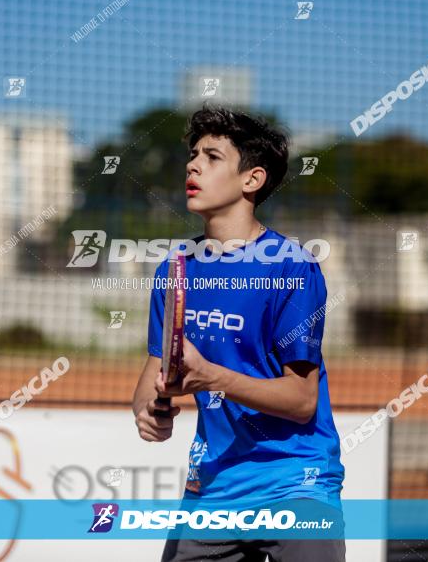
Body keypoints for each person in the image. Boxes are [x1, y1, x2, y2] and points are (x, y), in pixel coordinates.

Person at [131, 105, 345, 562]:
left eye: (212, 157)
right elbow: (154, 372)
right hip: (214, 486)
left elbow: (302, 401)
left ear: (252, 180)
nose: (192, 165)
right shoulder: (176, 270)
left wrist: (212, 378)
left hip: (294, 484)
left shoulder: (291, 267)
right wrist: (149, 410)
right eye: (193, 155)